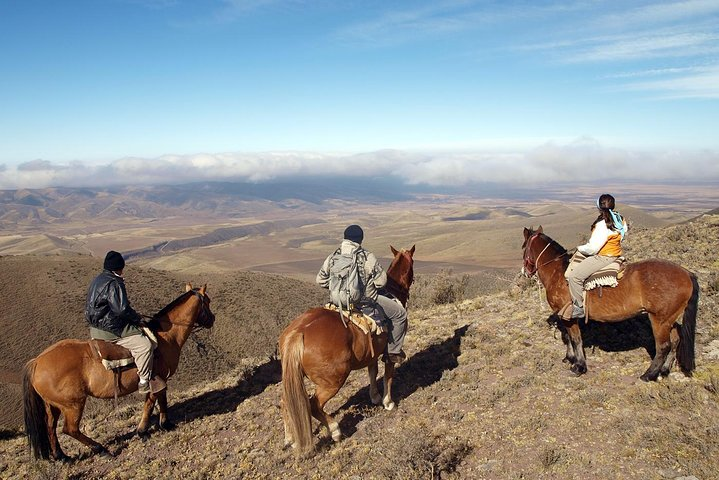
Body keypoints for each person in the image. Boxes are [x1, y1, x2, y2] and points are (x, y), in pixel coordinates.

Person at [316, 225, 408, 364]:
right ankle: (393, 352)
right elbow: (382, 282)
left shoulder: (333, 256)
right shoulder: (366, 256)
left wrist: (340, 289)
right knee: (400, 314)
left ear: (345, 237)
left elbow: (320, 280)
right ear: (360, 239)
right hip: (364, 302)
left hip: (337, 303)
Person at [85, 251, 155, 393]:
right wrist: (137, 318)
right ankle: (143, 381)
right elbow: (121, 310)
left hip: (95, 326)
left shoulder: (98, 279)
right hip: (110, 327)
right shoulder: (114, 282)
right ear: (118, 267)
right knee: (145, 345)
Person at [564, 194, 628, 319]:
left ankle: (579, 307)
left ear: (599, 207)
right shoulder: (620, 218)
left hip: (603, 257)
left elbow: (593, 248)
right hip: (616, 253)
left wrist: (580, 248)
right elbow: (623, 233)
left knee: (574, 277)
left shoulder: (602, 224)